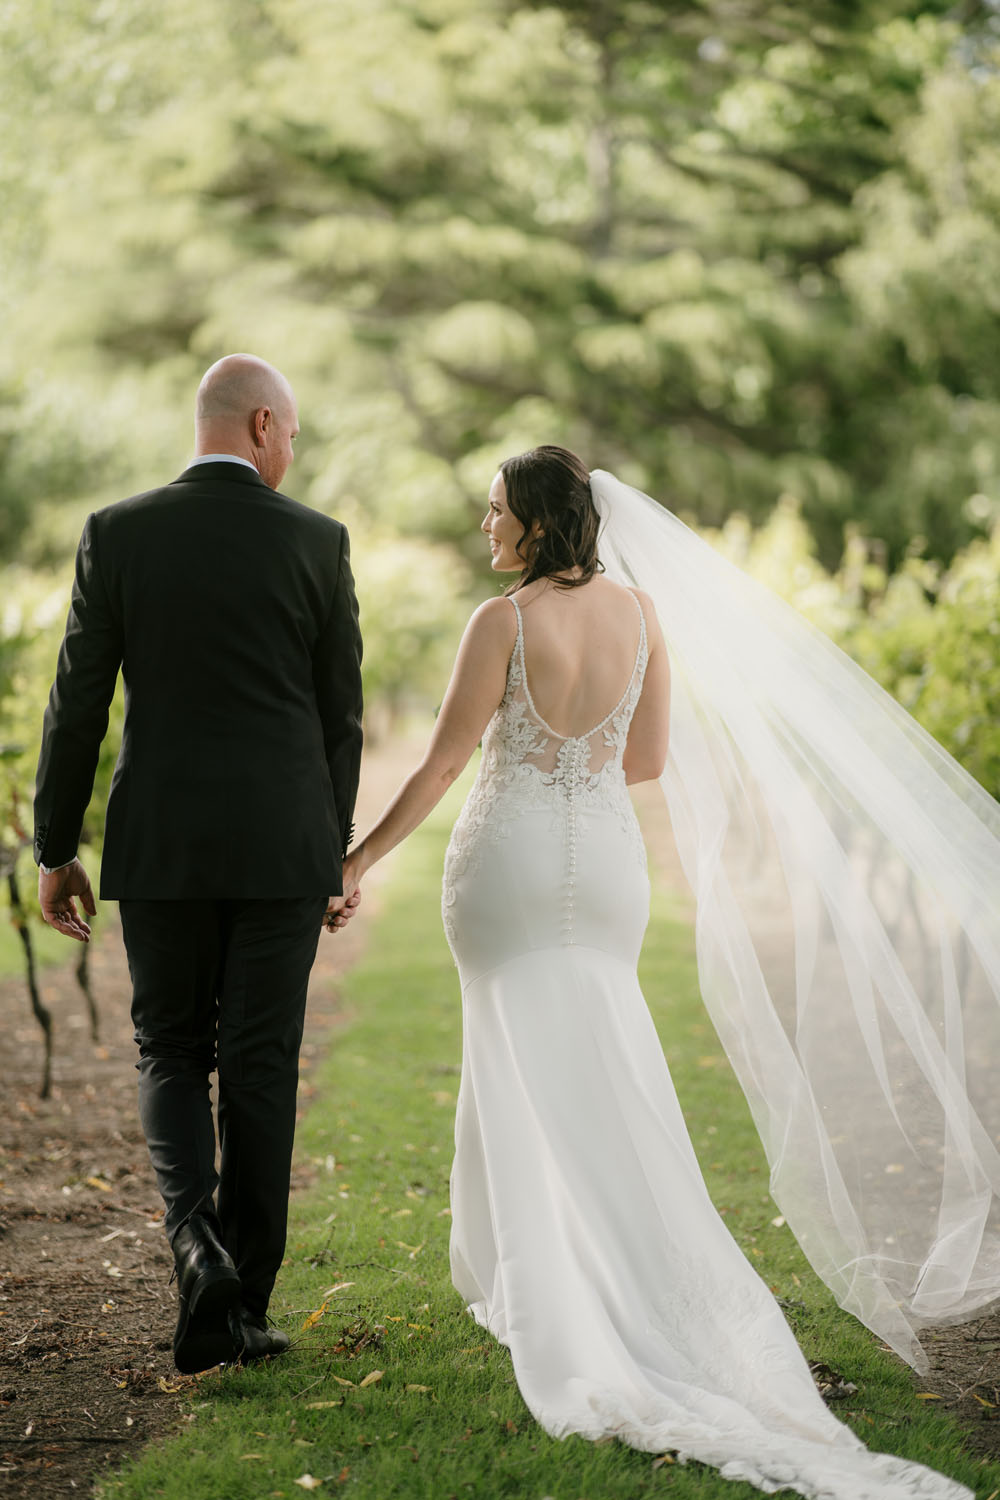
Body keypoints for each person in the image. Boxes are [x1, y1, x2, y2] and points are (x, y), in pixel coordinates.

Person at [328, 447, 976, 1498]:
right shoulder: (642, 616)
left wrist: (357, 860)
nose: (486, 527)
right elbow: (645, 760)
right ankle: (622, 1272)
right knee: (603, 1056)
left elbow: (444, 762)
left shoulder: (500, 623)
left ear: (538, 522)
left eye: (496, 511)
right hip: (604, 865)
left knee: (513, 1056)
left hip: (508, 865)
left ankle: (547, 1281)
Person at [33, 354, 364, 1374]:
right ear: (262, 424)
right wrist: (334, 852)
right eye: (292, 434)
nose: (291, 450)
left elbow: (77, 703)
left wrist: (55, 847)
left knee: (171, 1050)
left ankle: (195, 1245)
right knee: (260, 1065)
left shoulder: (118, 533)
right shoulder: (317, 541)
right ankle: (243, 1305)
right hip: (281, 848)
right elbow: (340, 718)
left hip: (162, 844)